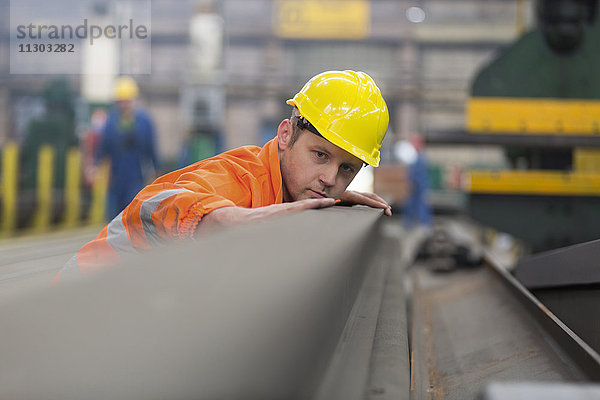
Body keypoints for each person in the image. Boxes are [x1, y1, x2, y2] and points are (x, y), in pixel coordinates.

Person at [53, 70, 392, 282]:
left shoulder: (290, 188)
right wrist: (217, 220)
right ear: (286, 135)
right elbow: (151, 205)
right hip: (82, 293)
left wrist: (322, 199)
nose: (330, 178)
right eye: (320, 156)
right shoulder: (239, 180)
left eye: (347, 168)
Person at [97, 76, 161, 221]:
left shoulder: (144, 122)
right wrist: (95, 166)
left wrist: (157, 168)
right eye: (121, 101)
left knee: (132, 214)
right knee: (113, 217)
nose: (124, 105)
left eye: (127, 101)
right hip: (116, 179)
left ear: (134, 100)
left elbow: (151, 148)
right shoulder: (111, 122)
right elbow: (103, 148)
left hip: (136, 177)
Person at [402, 134, 432, 229]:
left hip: (419, 186)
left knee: (420, 205)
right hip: (417, 186)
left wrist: (412, 183)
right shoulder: (417, 157)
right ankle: (410, 224)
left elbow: (417, 175)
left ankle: (424, 225)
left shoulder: (420, 159)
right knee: (412, 205)